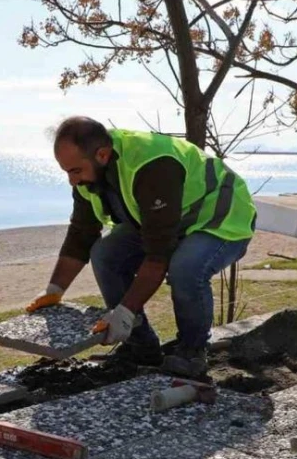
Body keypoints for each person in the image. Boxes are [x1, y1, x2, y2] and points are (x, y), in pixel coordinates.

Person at [25, 116, 256, 378]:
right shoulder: (89, 175)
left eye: (75, 171)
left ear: (102, 154)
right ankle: (140, 346)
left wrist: (124, 311)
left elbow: (159, 254)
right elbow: (81, 234)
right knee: (105, 254)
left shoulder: (153, 166)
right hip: (169, 220)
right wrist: (54, 290)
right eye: (66, 171)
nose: (71, 181)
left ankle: (192, 353)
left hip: (219, 217)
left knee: (185, 269)